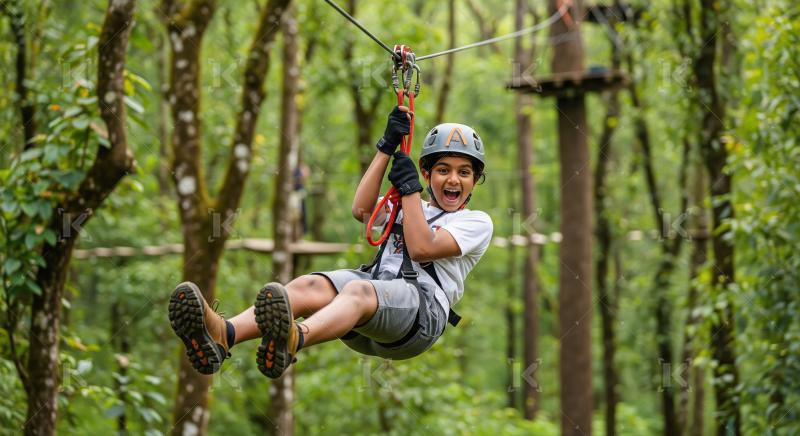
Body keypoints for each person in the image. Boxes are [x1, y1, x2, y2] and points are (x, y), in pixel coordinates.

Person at [168, 106, 493, 379]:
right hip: (368, 310)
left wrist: (410, 190)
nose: (453, 179)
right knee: (309, 285)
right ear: (427, 173)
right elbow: (362, 210)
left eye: (464, 173)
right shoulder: (411, 203)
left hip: (419, 317)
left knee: (359, 290)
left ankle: (294, 337)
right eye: (443, 170)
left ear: (475, 181)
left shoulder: (475, 222)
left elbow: (423, 248)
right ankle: (224, 334)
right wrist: (385, 147)